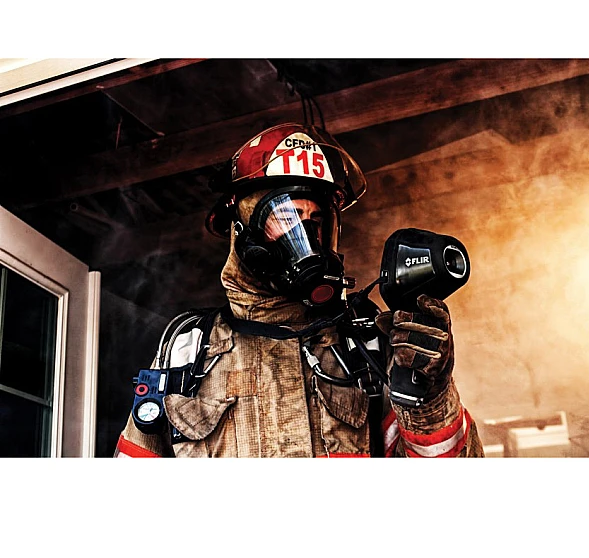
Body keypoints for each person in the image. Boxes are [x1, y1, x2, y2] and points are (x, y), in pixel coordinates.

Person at [115, 123, 484, 458]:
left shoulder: (364, 346)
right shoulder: (189, 352)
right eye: (287, 218)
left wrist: (429, 397)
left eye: (316, 219)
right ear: (245, 233)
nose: (306, 235)